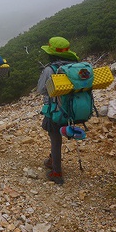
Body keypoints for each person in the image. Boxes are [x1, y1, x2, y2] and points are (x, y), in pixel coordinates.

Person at [37, 36, 80, 185]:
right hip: (72, 108)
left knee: (55, 138)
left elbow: (42, 90)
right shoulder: (75, 66)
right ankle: (52, 159)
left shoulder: (50, 69)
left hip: (55, 110)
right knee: (57, 136)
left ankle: (56, 171)